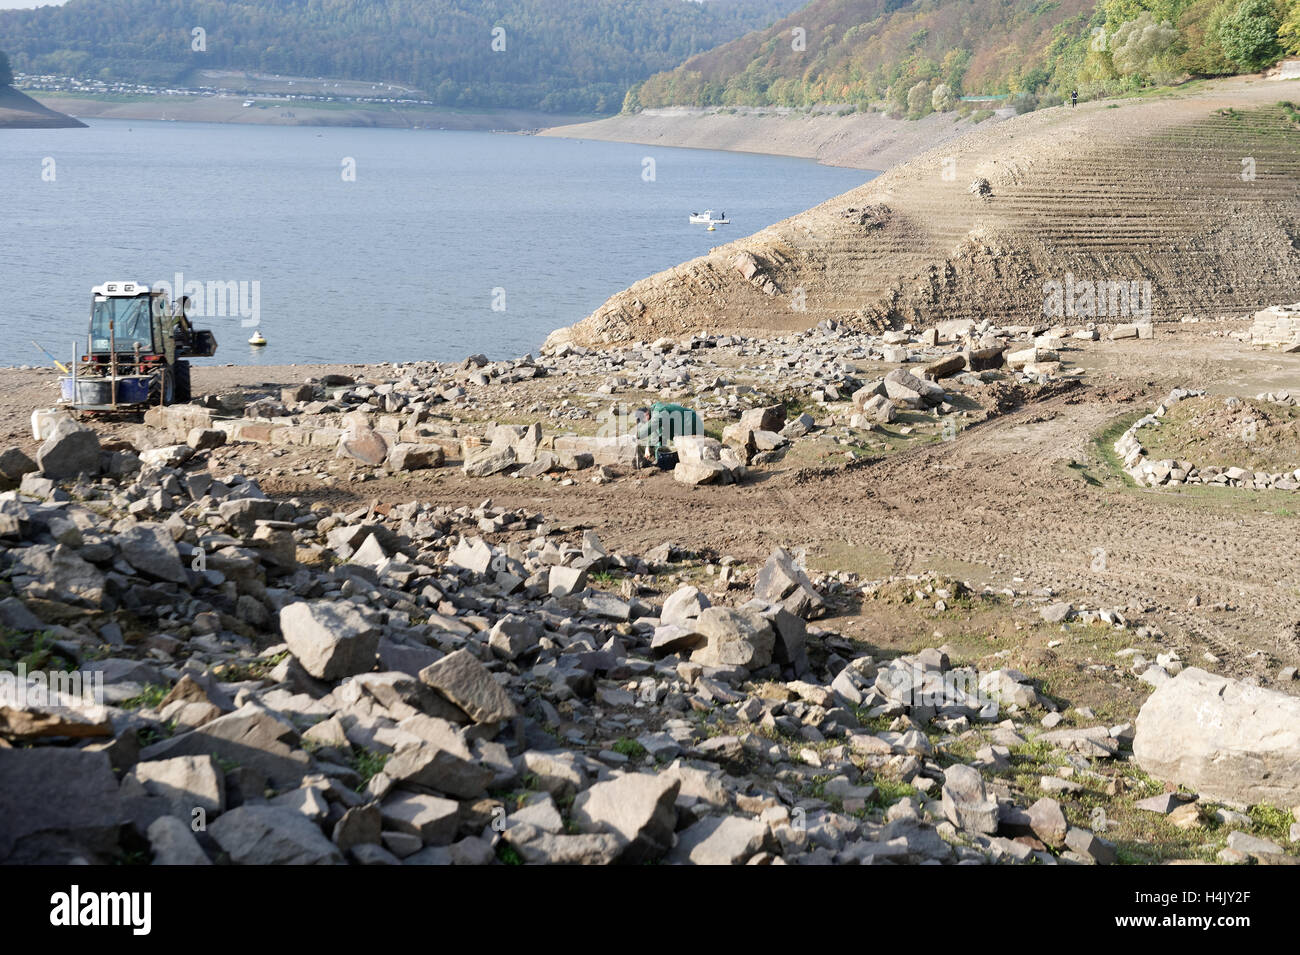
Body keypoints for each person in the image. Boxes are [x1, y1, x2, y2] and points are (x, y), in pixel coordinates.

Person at [634, 402, 703, 469]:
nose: (645, 423)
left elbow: (652, 425)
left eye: (643, 421)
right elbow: (655, 434)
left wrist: (638, 435)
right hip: (684, 424)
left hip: (691, 422)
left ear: (646, 414)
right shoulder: (654, 413)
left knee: (687, 446)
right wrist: (647, 447)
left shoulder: (660, 411)